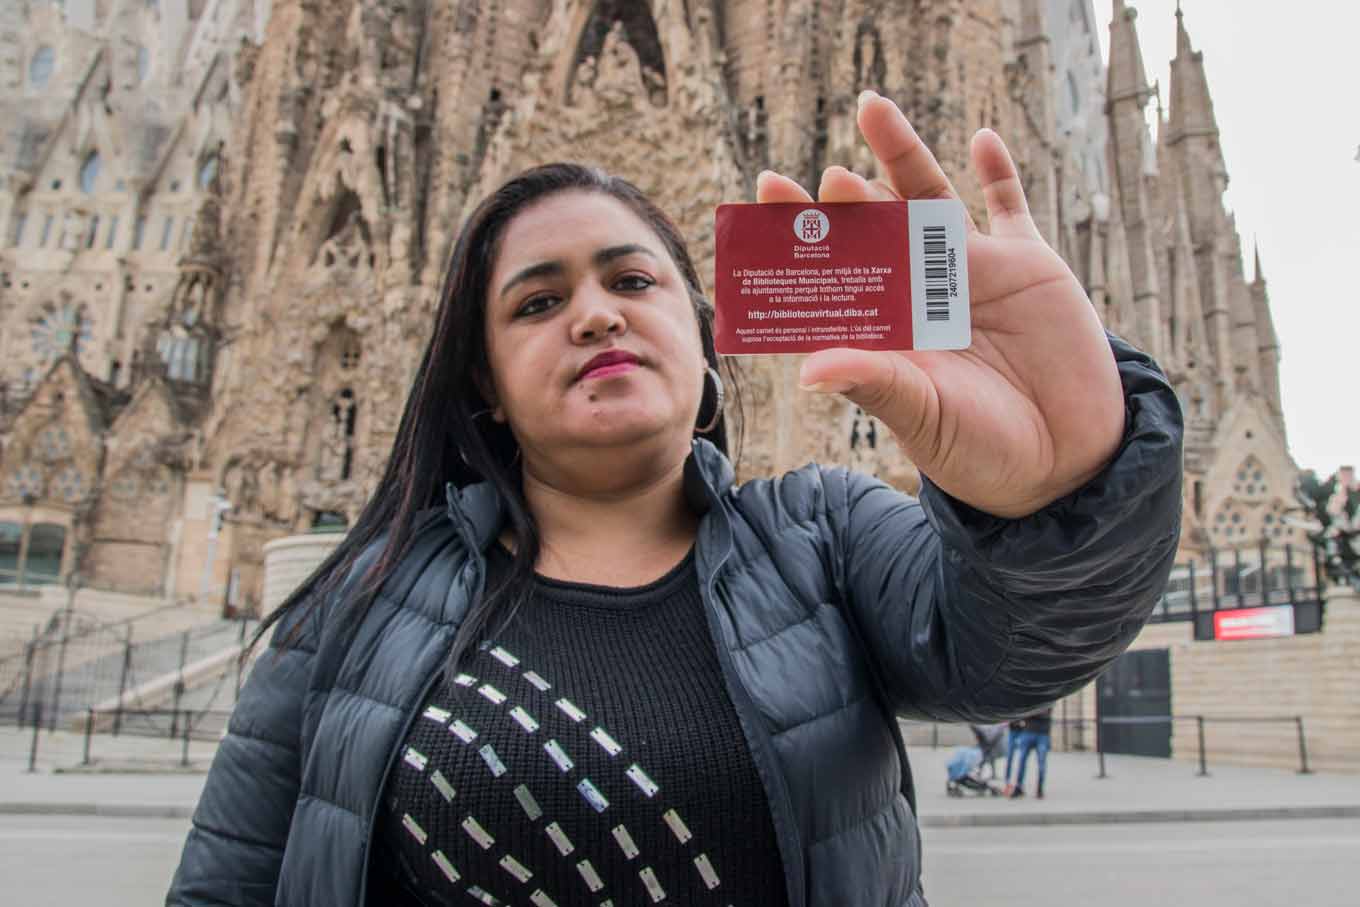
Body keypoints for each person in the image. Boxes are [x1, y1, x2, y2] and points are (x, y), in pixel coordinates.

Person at [166, 90, 1183, 907]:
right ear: (483, 380)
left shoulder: (819, 542)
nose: (595, 314)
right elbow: (230, 878)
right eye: (538, 300)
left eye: (633, 281)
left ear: (706, 341)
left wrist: (1061, 486)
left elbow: (1019, 647)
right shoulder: (360, 604)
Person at [1010, 707, 1055, 799]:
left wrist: (1030, 713)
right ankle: (1018, 787)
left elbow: (1044, 714)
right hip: (1028, 731)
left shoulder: (1047, 697)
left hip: (1042, 734)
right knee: (1022, 761)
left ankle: (1039, 788)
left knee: (1041, 763)